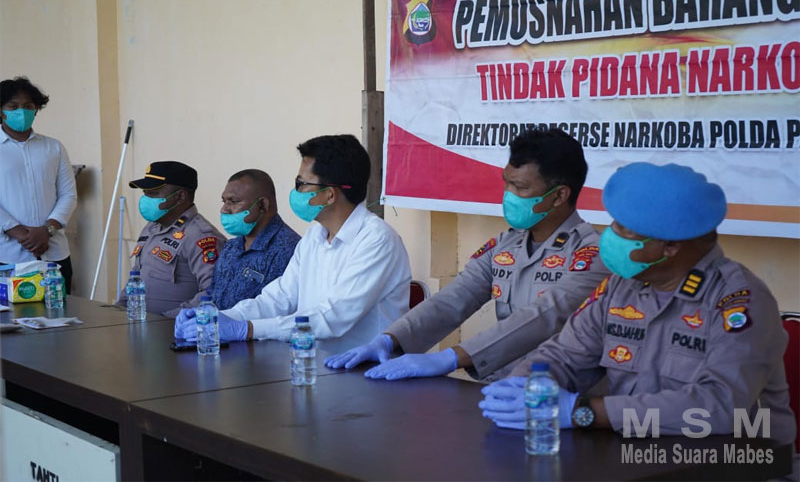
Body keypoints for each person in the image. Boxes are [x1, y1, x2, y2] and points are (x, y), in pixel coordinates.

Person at [479, 162, 796, 447]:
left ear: (670, 246)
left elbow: (721, 405)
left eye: (623, 230)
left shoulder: (739, 301)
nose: (610, 235)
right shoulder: (621, 285)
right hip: (633, 459)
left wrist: (581, 411)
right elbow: (565, 355)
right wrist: (525, 386)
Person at [326, 129, 610, 381]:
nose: (508, 194)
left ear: (559, 196)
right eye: (507, 183)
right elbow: (453, 300)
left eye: (520, 187)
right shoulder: (504, 245)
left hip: (562, 397)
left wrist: (451, 357)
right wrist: (390, 340)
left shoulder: (593, 254)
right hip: (500, 388)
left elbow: (544, 315)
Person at [174, 135, 411, 353]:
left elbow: (331, 318)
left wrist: (247, 329)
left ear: (329, 194)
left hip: (363, 370)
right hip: (311, 362)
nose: (296, 192)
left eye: (301, 184)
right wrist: (218, 317)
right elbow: (278, 298)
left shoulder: (377, 240)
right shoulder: (314, 236)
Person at [116, 161, 226, 316]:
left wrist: (170, 319)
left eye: (153, 194)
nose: (145, 199)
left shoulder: (201, 236)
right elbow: (136, 277)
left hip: (173, 326)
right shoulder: (151, 227)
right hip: (140, 321)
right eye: (145, 193)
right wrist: (118, 310)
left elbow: (213, 293)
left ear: (180, 197)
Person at [0, 77, 78, 292]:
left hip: (54, 254)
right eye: (13, 107)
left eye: (28, 106)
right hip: (7, 256)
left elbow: (68, 194)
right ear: (1, 111)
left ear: (36, 110)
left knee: (59, 310)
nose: (22, 112)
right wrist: (20, 233)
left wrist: (47, 230)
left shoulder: (54, 147)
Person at [209, 169, 300, 310]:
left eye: (233, 201)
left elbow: (277, 307)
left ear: (263, 204)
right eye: (224, 201)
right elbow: (213, 293)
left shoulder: (289, 250)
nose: (224, 210)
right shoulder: (231, 246)